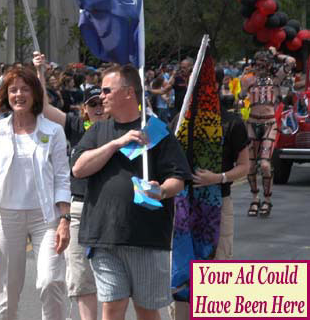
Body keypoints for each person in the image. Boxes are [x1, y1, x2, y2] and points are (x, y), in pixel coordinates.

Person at [71, 64, 191, 320]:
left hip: (145, 236)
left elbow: (178, 178)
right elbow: (79, 169)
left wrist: (161, 191)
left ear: (127, 92)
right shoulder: (99, 131)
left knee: (146, 310)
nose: (101, 96)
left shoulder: (156, 131)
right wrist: (116, 143)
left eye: (106, 90)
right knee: (112, 306)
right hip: (104, 235)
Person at [0, 66, 71, 320]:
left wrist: (64, 220)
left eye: (25, 89)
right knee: (8, 288)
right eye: (13, 90)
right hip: (7, 216)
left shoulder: (53, 131)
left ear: (35, 94)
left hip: (46, 217)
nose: (19, 95)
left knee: (51, 281)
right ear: (5, 96)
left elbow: (62, 178)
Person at [170, 67, 251, 320]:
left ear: (217, 85)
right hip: (183, 209)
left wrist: (218, 178)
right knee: (183, 272)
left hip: (218, 207)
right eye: (192, 82)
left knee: (215, 269)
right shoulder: (180, 121)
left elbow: (245, 167)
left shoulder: (232, 123)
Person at [34, 52, 104, 320]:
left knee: (109, 277)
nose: (97, 108)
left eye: (101, 103)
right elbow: (41, 107)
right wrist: (40, 72)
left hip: (108, 208)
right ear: (84, 109)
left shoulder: (121, 131)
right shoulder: (75, 126)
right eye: (92, 104)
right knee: (80, 276)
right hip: (78, 209)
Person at [240, 47, 294, 217]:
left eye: (263, 64)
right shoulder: (248, 80)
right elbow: (241, 96)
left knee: (264, 164)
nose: (259, 67)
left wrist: (276, 54)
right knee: (250, 166)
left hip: (269, 124)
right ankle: (255, 199)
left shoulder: (275, 78)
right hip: (252, 123)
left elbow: (291, 62)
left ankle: (268, 200)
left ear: (269, 65)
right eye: (257, 64)